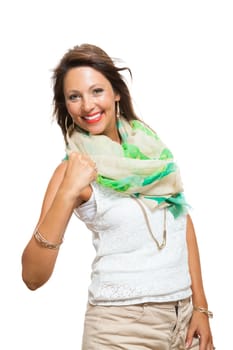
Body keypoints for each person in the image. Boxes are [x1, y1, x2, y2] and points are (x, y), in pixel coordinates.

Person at [21, 43, 214, 350]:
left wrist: (201, 307)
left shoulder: (151, 152)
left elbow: (181, 221)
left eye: (96, 91)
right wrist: (68, 190)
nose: (87, 106)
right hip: (120, 330)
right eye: (74, 96)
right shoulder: (72, 170)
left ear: (117, 93)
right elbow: (32, 275)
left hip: (184, 322)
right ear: (66, 105)